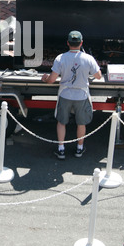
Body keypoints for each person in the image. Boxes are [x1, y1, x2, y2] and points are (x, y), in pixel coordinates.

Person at [42, 30, 102, 160]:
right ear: (81, 43)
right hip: (82, 95)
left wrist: (45, 78)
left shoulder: (60, 58)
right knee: (81, 123)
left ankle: (61, 149)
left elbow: (51, 80)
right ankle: (79, 149)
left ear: (68, 43)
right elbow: (98, 76)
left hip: (65, 94)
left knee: (61, 122)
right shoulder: (88, 58)